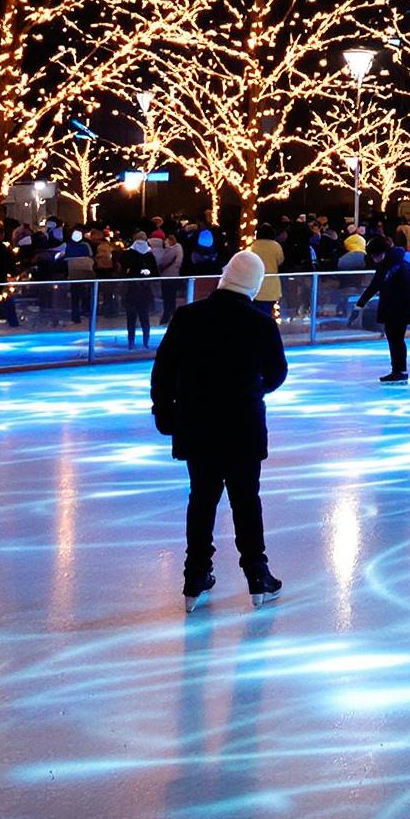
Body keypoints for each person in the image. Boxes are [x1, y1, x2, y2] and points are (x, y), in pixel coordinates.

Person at [150, 250, 288, 612]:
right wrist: (253, 388)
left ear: (225, 276)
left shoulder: (188, 317)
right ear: (254, 284)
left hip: (198, 425)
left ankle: (195, 575)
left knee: (202, 500)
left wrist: (165, 414)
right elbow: (277, 373)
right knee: (246, 500)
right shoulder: (260, 323)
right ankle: (257, 574)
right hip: (243, 426)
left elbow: (163, 371)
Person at [357, 243, 410, 384]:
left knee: (396, 339)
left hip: (400, 308)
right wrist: (361, 302)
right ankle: (398, 370)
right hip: (392, 308)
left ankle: (399, 371)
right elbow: (375, 285)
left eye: (375, 256)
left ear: (382, 253)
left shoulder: (399, 266)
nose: (374, 259)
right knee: (394, 338)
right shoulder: (387, 266)